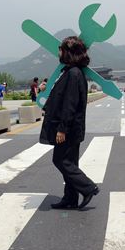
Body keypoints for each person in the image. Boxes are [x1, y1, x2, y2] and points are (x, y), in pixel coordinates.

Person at [41, 36, 99, 210]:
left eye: (61, 48)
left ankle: (88, 187)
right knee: (70, 162)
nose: (59, 51)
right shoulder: (70, 71)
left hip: (69, 129)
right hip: (72, 128)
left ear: (69, 52)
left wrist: (62, 129)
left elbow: (70, 105)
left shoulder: (73, 73)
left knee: (61, 160)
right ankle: (70, 198)